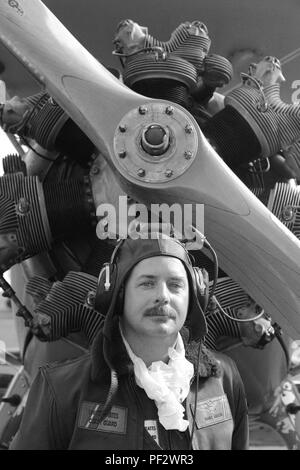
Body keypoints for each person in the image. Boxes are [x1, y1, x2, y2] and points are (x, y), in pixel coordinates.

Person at [10, 234, 248, 450]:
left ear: (196, 297)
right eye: (147, 283)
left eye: (175, 285)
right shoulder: (60, 389)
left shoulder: (224, 379)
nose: (163, 296)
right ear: (117, 293)